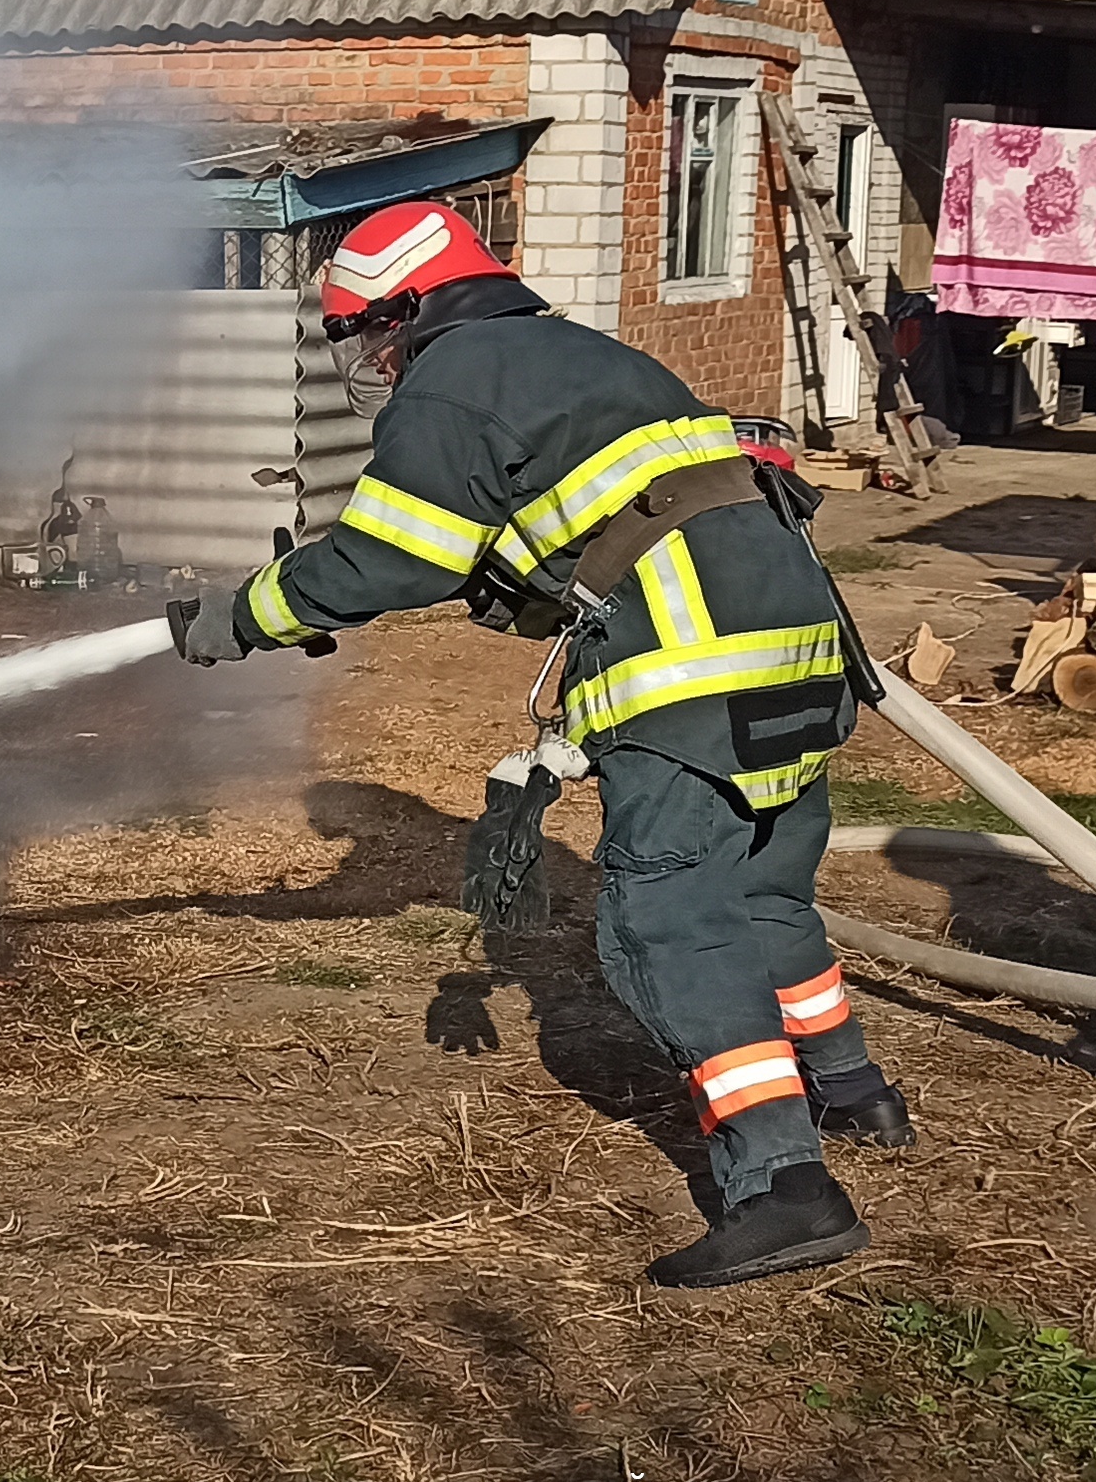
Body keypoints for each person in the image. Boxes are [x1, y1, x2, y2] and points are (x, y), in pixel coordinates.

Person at [169, 199, 912, 1286]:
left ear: (409, 309)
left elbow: (387, 556)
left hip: (687, 670)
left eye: (364, 331)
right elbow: (576, 532)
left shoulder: (456, 380)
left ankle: (786, 1186)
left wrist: (241, 616)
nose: (366, 358)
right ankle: (853, 1088)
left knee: (668, 920)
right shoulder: (578, 356)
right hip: (797, 647)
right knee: (763, 894)